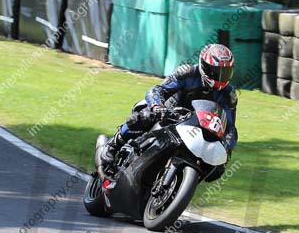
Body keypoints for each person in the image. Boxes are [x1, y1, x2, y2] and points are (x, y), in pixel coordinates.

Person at [100, 43, 238, 168]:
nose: (220, 77)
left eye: (225, 72)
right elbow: (157, 90)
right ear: (205, 66)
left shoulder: (228, 95)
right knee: (146, 115)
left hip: (196, 126)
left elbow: (230, 128)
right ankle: (113, 144)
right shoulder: (187, 73)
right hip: (169, 113)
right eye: (216, 72)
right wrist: (157, 106)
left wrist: (227, 147)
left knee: (217, 166)